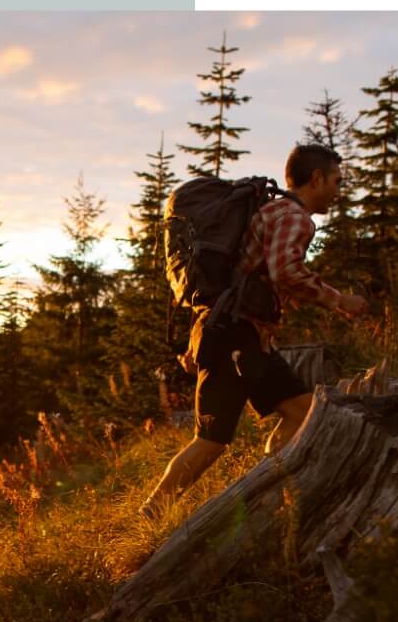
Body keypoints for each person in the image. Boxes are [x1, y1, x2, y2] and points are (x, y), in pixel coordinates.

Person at [141, 143, 372, 515]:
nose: (338, 191)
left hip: (247, 338)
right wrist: (338, 300)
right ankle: (151, 513)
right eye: (336, 182)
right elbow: (287, 271)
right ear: (316, 179)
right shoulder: (296, 218)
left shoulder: (273, 211)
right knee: (211, 441)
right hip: (235, 337)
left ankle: (272, 495)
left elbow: (240, 277)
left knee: (302, 413)